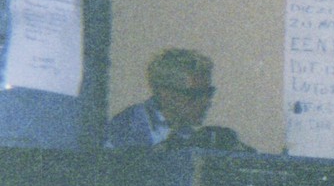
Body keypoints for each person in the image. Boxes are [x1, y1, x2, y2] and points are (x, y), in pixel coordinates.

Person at [103, 48, 247, 150]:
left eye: (208, 93)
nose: (206, 102)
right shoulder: (127, 127)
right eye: (195, 94)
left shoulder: (186, 132)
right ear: (165, 94)